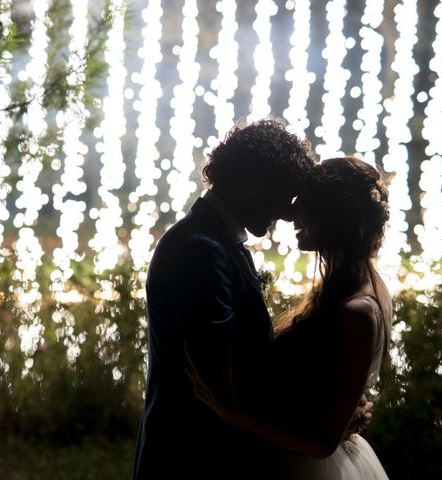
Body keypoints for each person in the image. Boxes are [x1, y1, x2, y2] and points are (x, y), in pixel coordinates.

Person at [131, 118, 316, 480]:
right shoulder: (201, 250)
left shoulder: (212, 240)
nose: (287, 212)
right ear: (251, 183)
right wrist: (317, 416)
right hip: (195, 453)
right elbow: (224, 374)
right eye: (285, 194)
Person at [190, 156, 392, 479]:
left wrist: (232, 413)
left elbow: (323, 443)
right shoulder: (342, 284)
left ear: (331, 216)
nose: (291, 214)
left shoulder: (358, 309)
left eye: (305, 204)